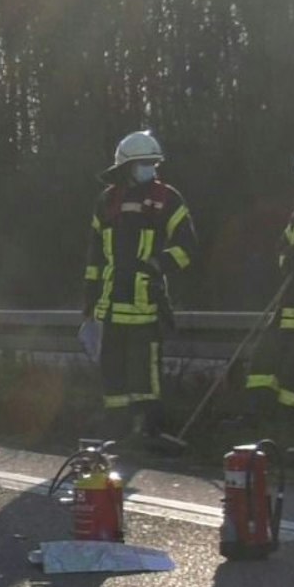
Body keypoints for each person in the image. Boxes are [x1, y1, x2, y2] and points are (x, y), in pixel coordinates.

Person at [81, 130, 199, 441]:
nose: (149, 168)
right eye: (143, 163)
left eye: (152, 163)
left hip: (146, 306)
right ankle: (116, 433)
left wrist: (158, 263)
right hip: (109, 309)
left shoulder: (167, 199)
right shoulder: (106, 202)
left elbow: (188, 247)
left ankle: (150, 431)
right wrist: (89, 304)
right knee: (113, 376)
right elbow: (95, 258)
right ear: (126, 167)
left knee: (146, 375)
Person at [244, 152, 294, 417]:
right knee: (262, 359)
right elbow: (281, 251)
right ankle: (258, 415)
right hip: (289, 304)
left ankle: (289, 423)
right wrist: (290, 259)